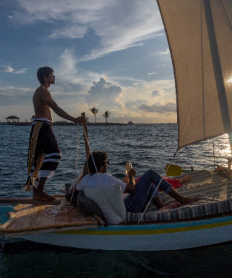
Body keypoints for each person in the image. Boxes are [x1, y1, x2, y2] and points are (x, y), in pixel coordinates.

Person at [25, 66, 85, 201]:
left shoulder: (43, 92)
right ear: (45, 78)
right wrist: (74, 120)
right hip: (41, 126)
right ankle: (38, 191)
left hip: (44, 126)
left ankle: (38, 192)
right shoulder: (42, 91)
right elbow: (56, 108)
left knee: (44, 158)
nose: (54, 77)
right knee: (53, 155)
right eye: (52, 75)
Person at [76, 151, 200, 213]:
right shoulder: (106, 178)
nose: (108, 166)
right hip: (129, 207)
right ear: (102, 167)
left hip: (118, 203)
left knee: (148, 185)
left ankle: (162, 206)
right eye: (107, 163)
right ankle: (182, 199)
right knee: (150, 174)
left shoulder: (85, 181)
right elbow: (132, 189)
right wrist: (131, 176)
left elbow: (75, 190)